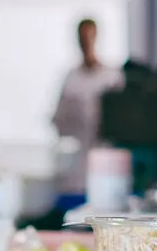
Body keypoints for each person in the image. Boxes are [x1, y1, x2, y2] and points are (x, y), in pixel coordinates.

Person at [51, 18, 122, 193]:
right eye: (82, 37)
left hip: (107, 161)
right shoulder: (71, 79)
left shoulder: (111, 77)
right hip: (78, 165)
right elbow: (59, 120)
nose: (86, 42)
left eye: (89, 36)